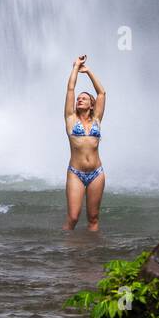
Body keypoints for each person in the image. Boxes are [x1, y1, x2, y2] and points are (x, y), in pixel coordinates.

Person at [63, 54, 105, 231]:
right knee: (73, 217)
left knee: (93, 218)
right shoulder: (71, 118)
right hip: (76, 173)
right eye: (79, 99)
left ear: (91, 105)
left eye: (84, 99)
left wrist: (88, 71)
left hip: (96, 173)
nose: (79, 99)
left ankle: (91, 253)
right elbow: (70, 89)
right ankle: (66, 253)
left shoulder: (97, 120)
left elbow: (102, 93)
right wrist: (75, 68)